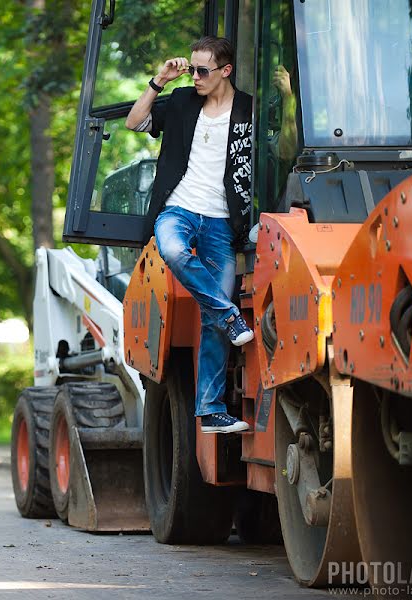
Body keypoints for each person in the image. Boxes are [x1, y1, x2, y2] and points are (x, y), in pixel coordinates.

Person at [124, 36, 254, 434]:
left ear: (225, 71)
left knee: (212, 322)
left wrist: (285, 95)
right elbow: (134, 122)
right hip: (178, 209)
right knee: (174, 250)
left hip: (222, 222)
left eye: (203, 71)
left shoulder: (250, 110)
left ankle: (211, 409)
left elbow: (280, 148)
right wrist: (158, 80)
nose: (195, 77)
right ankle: (230, 314)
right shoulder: (181, 101)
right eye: (192, 69)